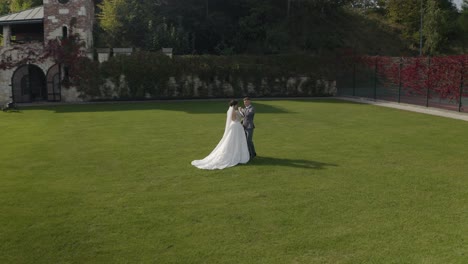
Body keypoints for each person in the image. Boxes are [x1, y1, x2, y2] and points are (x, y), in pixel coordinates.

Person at [191, 100, 250, 170]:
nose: (237, 106)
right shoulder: (234, 111)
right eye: (236, 105)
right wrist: (240, 113)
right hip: (236, 126)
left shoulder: (231, 110)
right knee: (236, 140)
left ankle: (237, 153)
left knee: (233, 140)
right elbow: (234, 119)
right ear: (234, 105)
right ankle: (237, 154)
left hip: (235, 126)